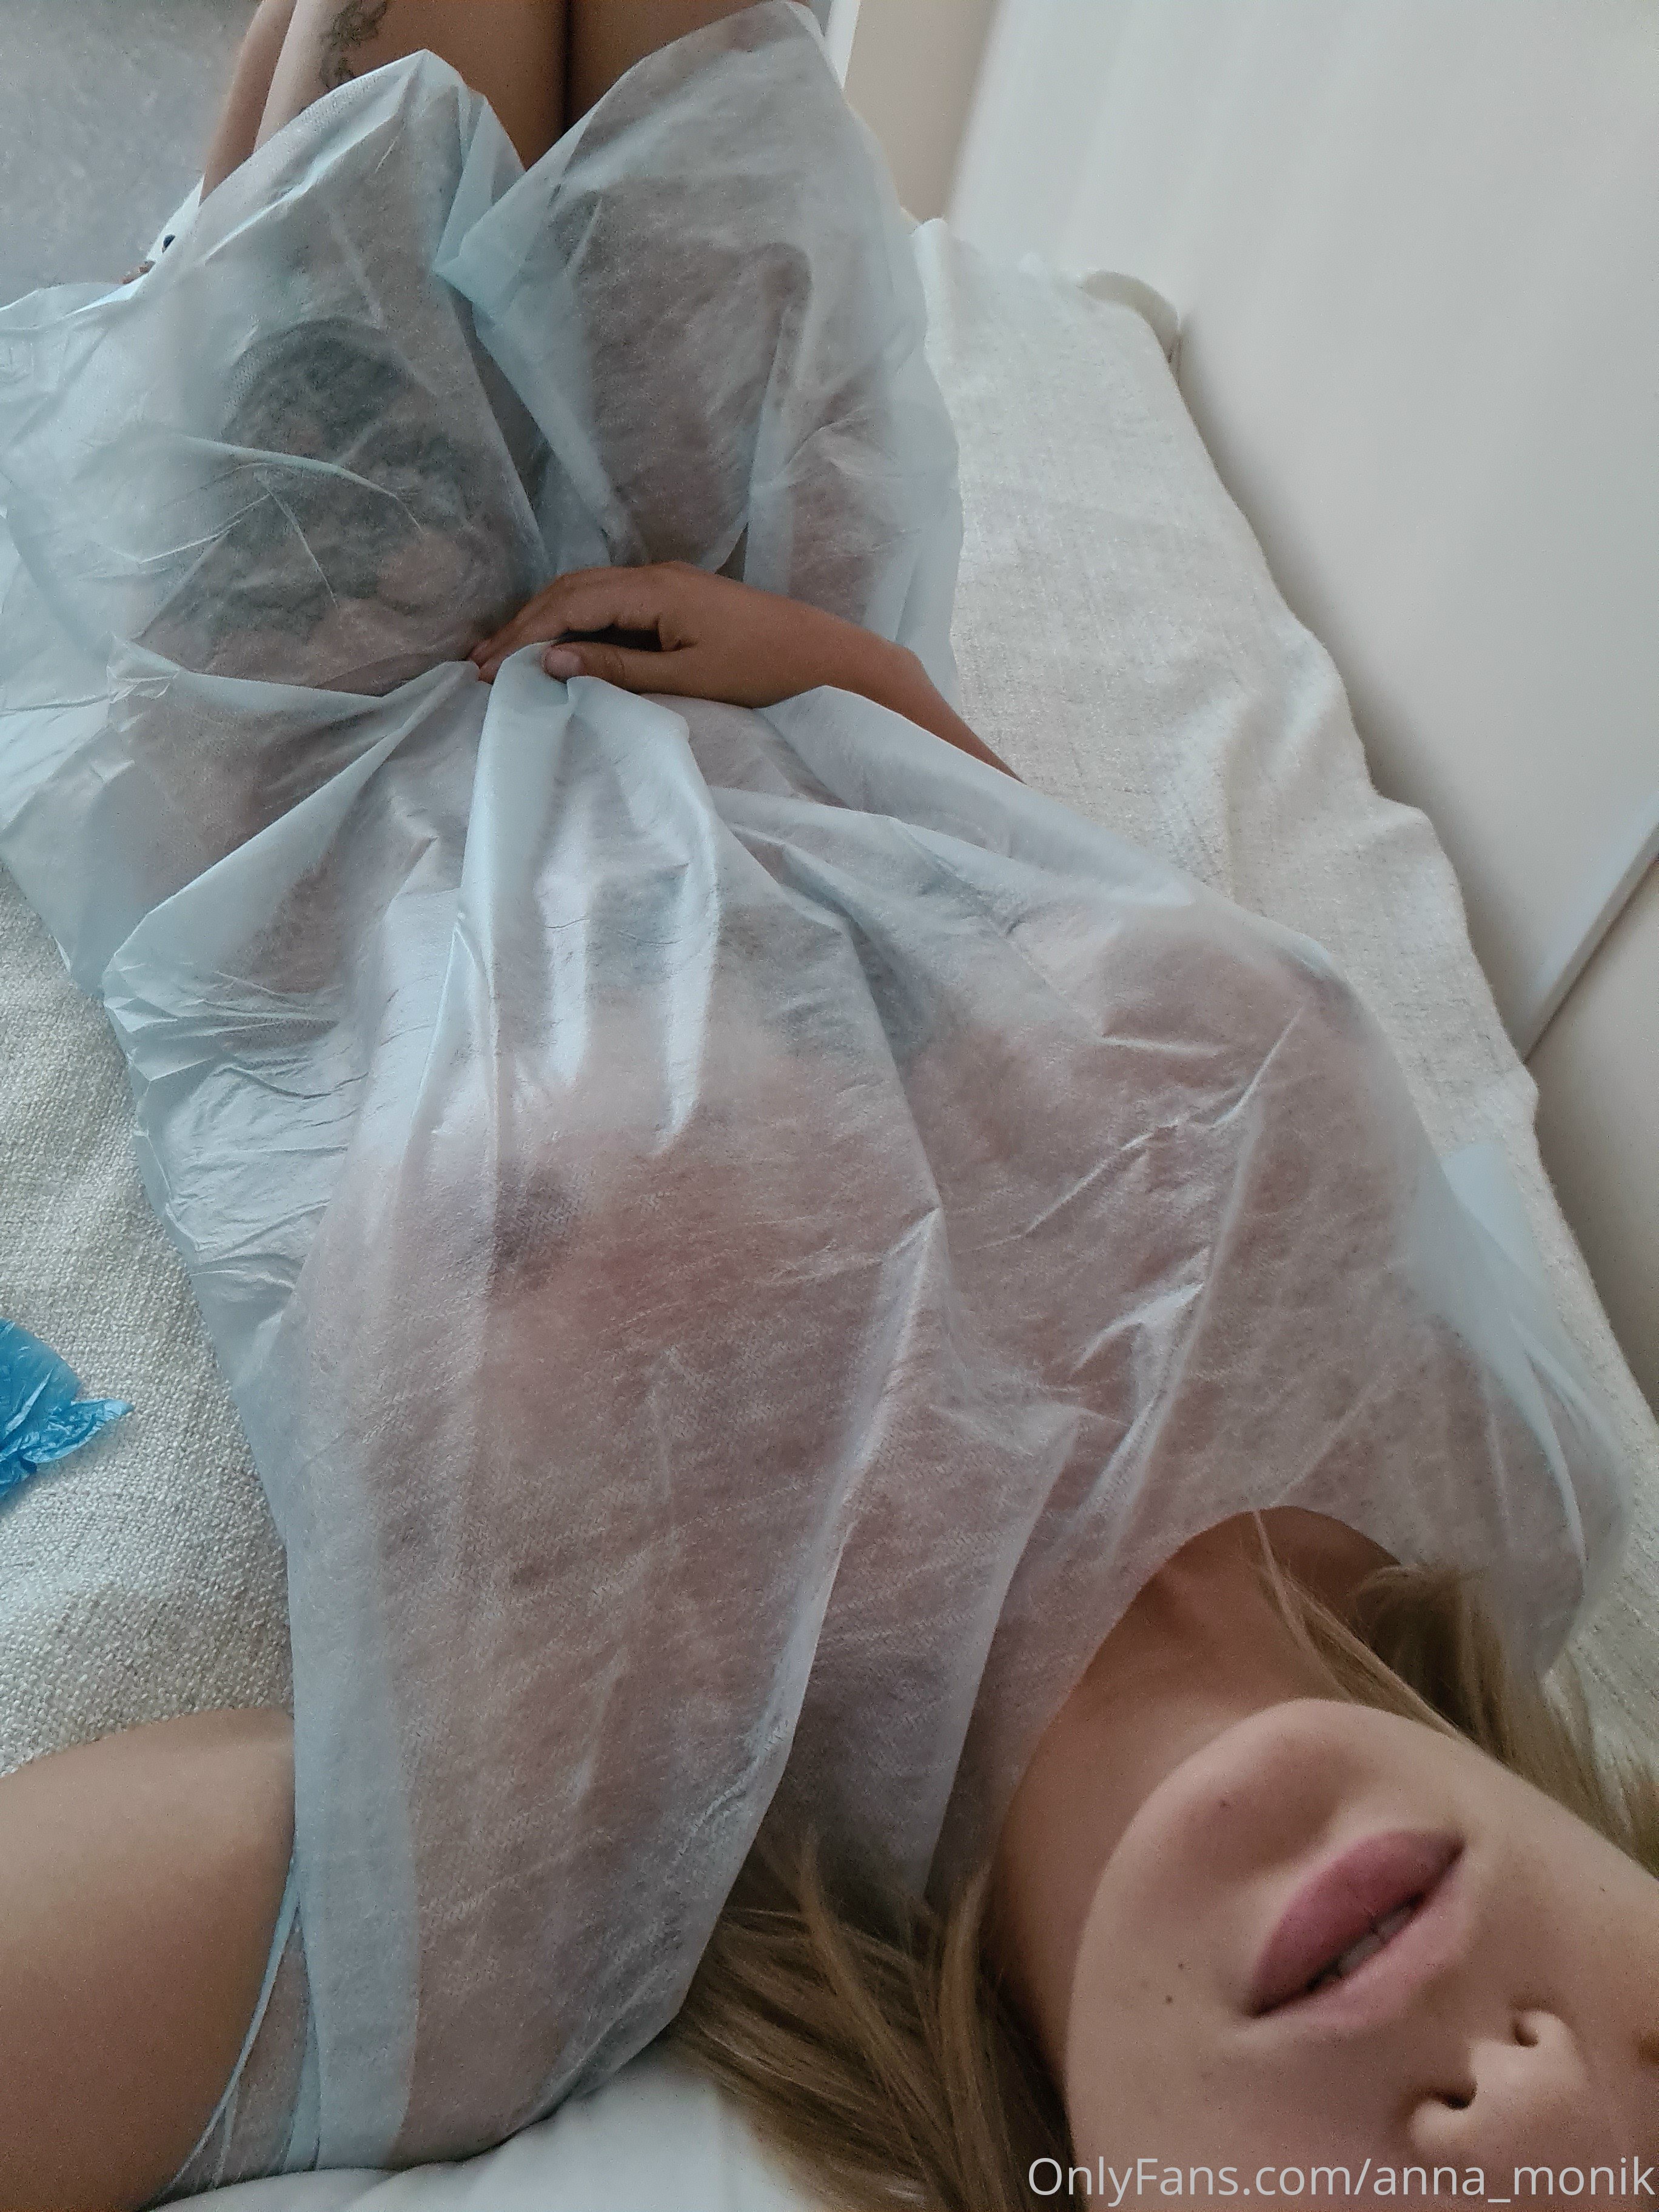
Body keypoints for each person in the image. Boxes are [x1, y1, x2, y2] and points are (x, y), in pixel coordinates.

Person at [0, 8, 1653, 2212]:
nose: (1529, 2110)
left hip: (346, 699)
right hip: (775, 594)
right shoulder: (1511, 1480)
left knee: (416, 41)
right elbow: (1050, 937)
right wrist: (866, 681)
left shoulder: (560, 1903)